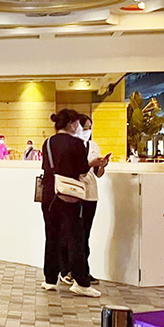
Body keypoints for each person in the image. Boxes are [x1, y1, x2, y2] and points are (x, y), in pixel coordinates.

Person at [39, 109, 106, 298]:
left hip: (49, 195)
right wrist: (92, 163)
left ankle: (50, 279)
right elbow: (82, 170)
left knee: (52, 236)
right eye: (77, 123)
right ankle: (81, 282)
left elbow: (47, 166)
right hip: (69, 196)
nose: (79, 127)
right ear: (70, 124)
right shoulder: (76, 143)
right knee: (75, 238)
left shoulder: (48, 142)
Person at [76, 114, 109, 284]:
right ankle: (71, 270)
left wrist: (102, 165)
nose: (87, 131)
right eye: (85, 127)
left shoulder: (93, 146)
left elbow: (98, 174)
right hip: (75, 192)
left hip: (90, 194)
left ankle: (83, 269)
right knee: (75, 233)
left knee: (85, 233)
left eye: (90, 127)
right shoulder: (72, 146)